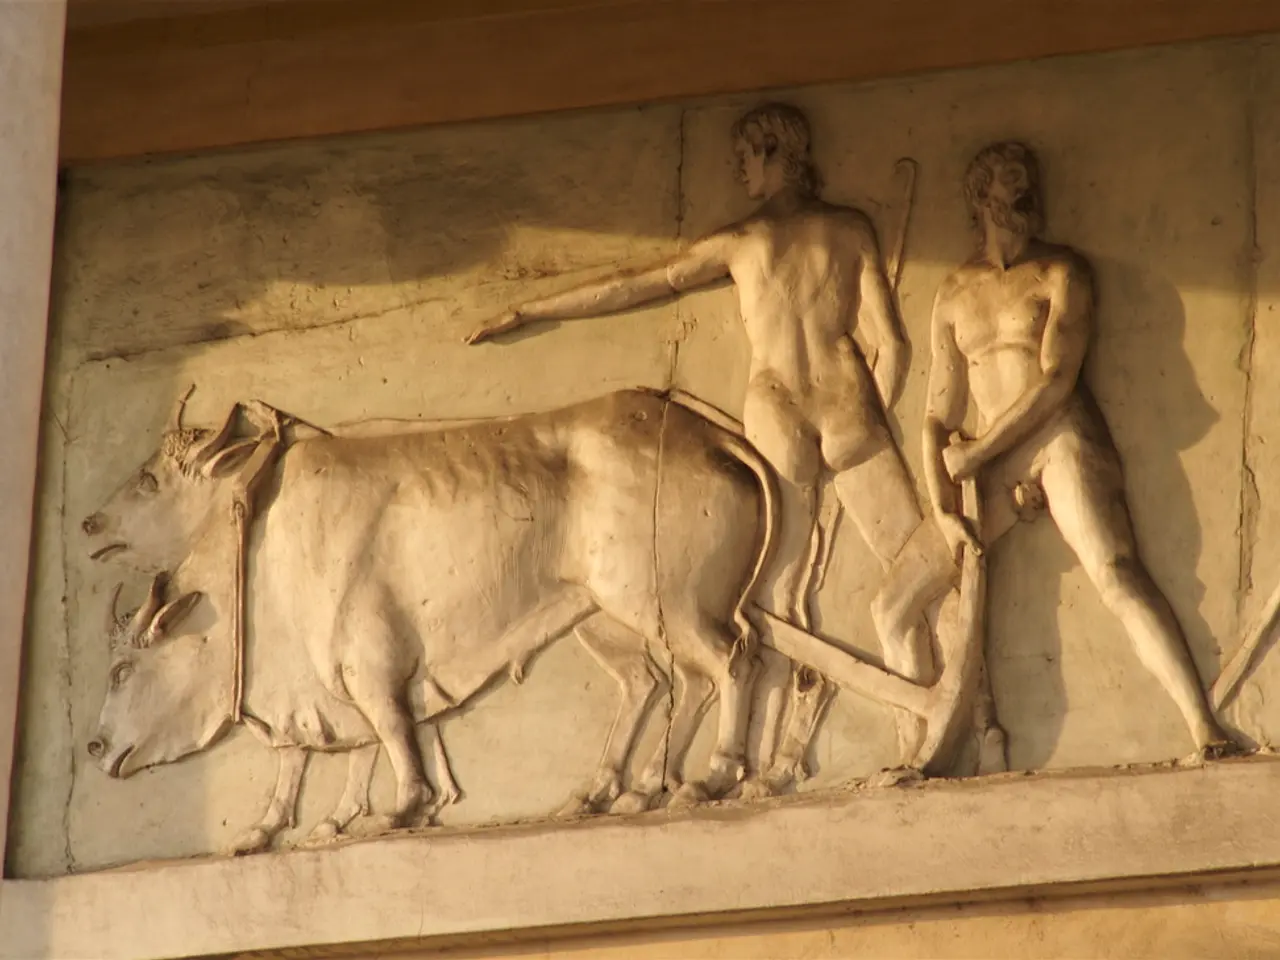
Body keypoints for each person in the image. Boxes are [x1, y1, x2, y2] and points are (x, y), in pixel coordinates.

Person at [467, 103, 942, 783]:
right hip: (848, 405)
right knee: (910, 563)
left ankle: (764, 755)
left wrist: (530, 310)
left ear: (774, 150)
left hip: (777, 407)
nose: (738, 168)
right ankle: (909, 735)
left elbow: (640, 284)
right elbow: (891, 346)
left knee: (777, 599)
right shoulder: (849, 229)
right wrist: (877, 410)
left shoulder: (743, 241)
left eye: (746, 155)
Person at [923, 140, 1236, 759]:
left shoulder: (1061, 273)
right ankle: (972, 734)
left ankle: (1203, 725)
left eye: (1028, 182)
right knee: (932, 588)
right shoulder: (954, 292)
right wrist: (941, 507)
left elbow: (1055, 380)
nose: (1023, 192)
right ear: (981, 196)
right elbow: (937, 413)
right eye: (1010, 182)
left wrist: (977, 454)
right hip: (993, 461)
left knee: (1116, 572)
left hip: (1060, 436)